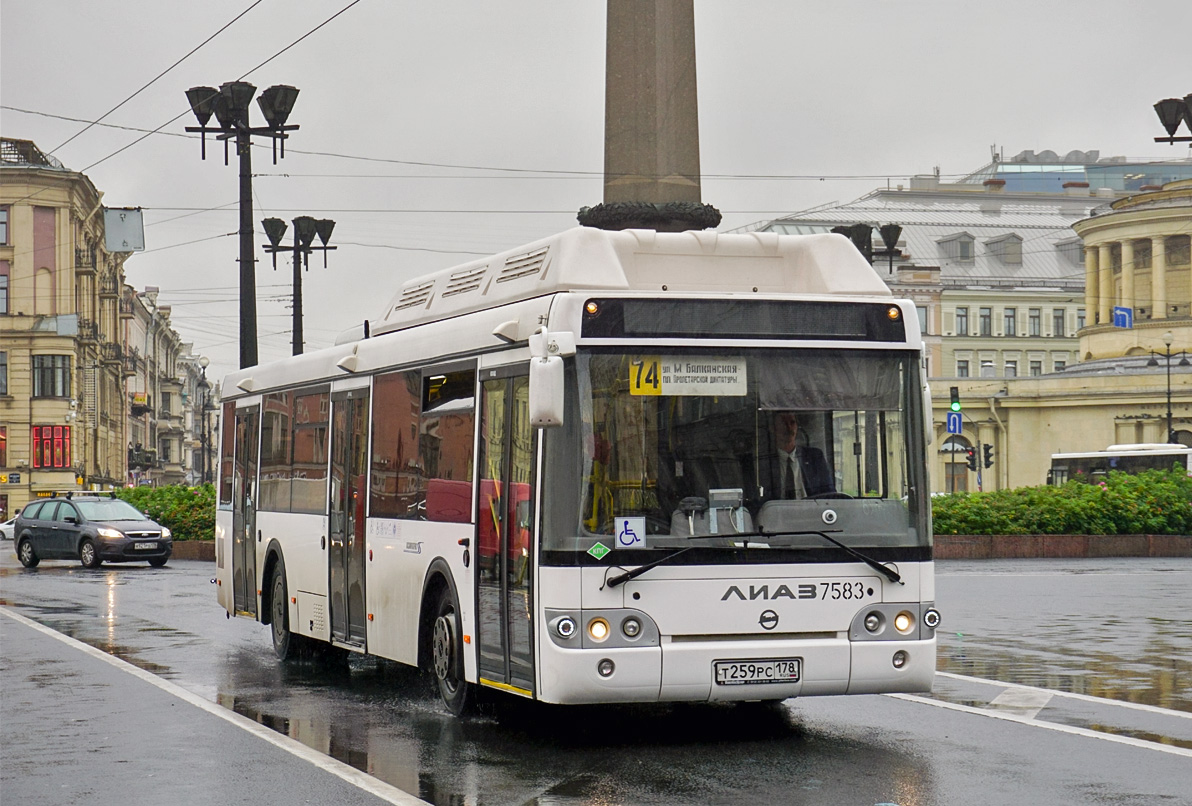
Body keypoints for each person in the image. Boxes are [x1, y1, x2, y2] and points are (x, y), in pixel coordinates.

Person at [766, 411, 835, 499]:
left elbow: (830, 494)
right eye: (783, 423)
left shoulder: (814, 457)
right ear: (772, 428)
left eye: (792, 423)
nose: (789, 428)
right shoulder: (765, 461)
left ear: (797, 427)